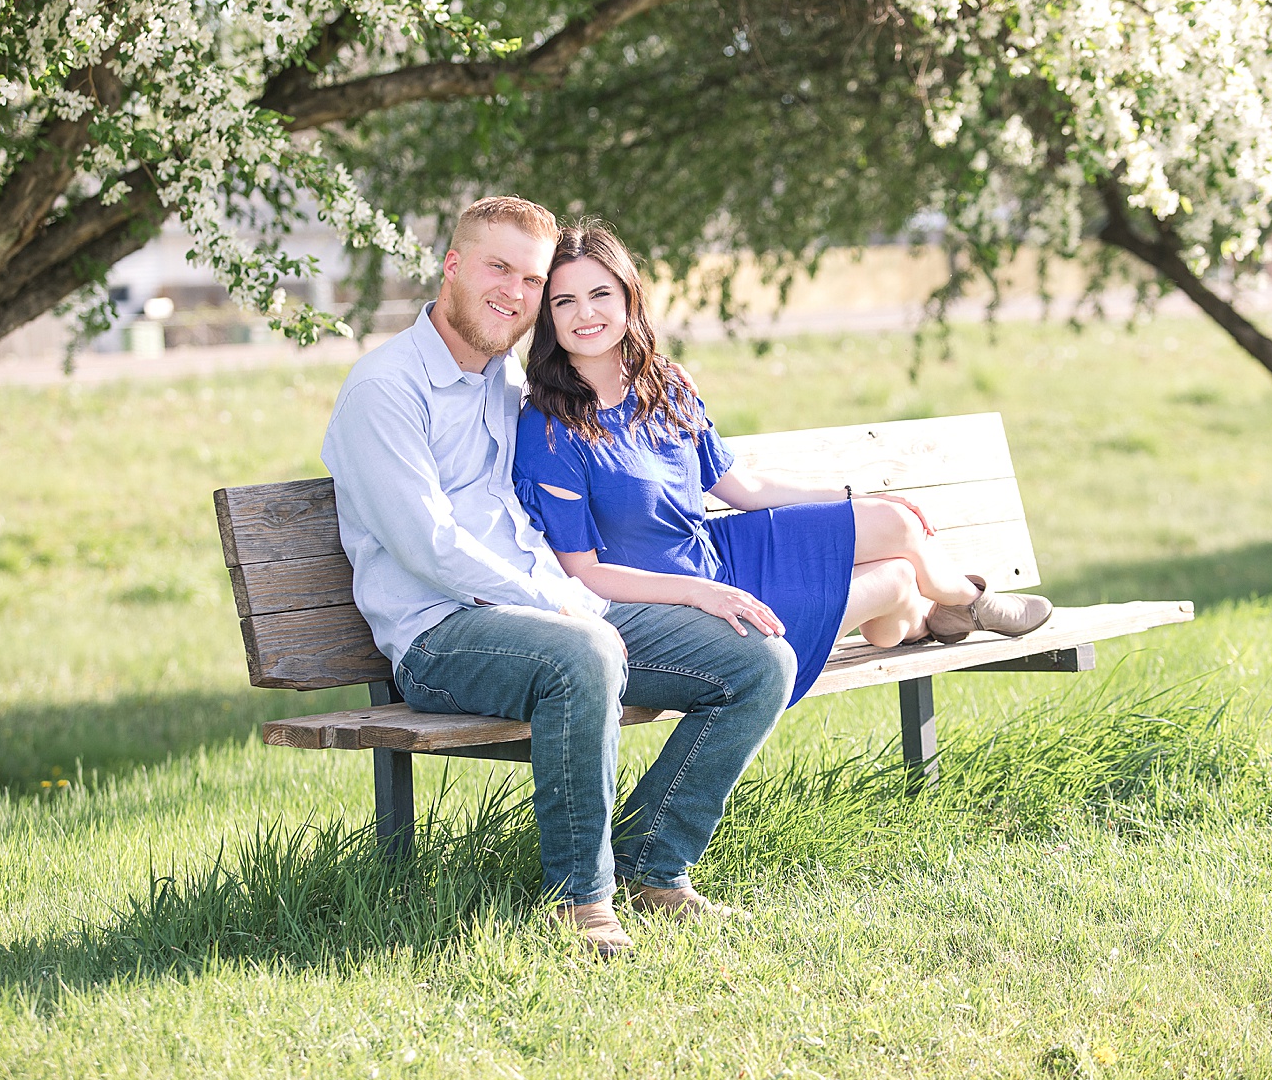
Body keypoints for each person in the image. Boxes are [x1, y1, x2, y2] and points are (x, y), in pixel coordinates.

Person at [323, 195, 794, 960]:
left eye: (532, 278)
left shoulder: (505, 383)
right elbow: (428, 548)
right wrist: (570, 607)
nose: (514, 291)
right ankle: (579, 901)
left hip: (557, 612)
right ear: (452, 266)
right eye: (497, 267)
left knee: (758, 660)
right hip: (441, 640)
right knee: (587, 653)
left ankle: (653, 863)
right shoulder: (386, 389)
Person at [512, 219, 1056, 707]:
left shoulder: (666, 387)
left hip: (724, 553)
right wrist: (700, 592)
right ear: (549, 319)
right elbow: (582, 570)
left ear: (629, 300)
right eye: (565, 302)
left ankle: (950, 607)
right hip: (679, 607)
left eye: (600, 294)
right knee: (893, 581)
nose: (585, 314)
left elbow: (741, 488)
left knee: (896, 524)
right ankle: (959, 607)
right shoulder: (549, 428)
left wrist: (851, 498)